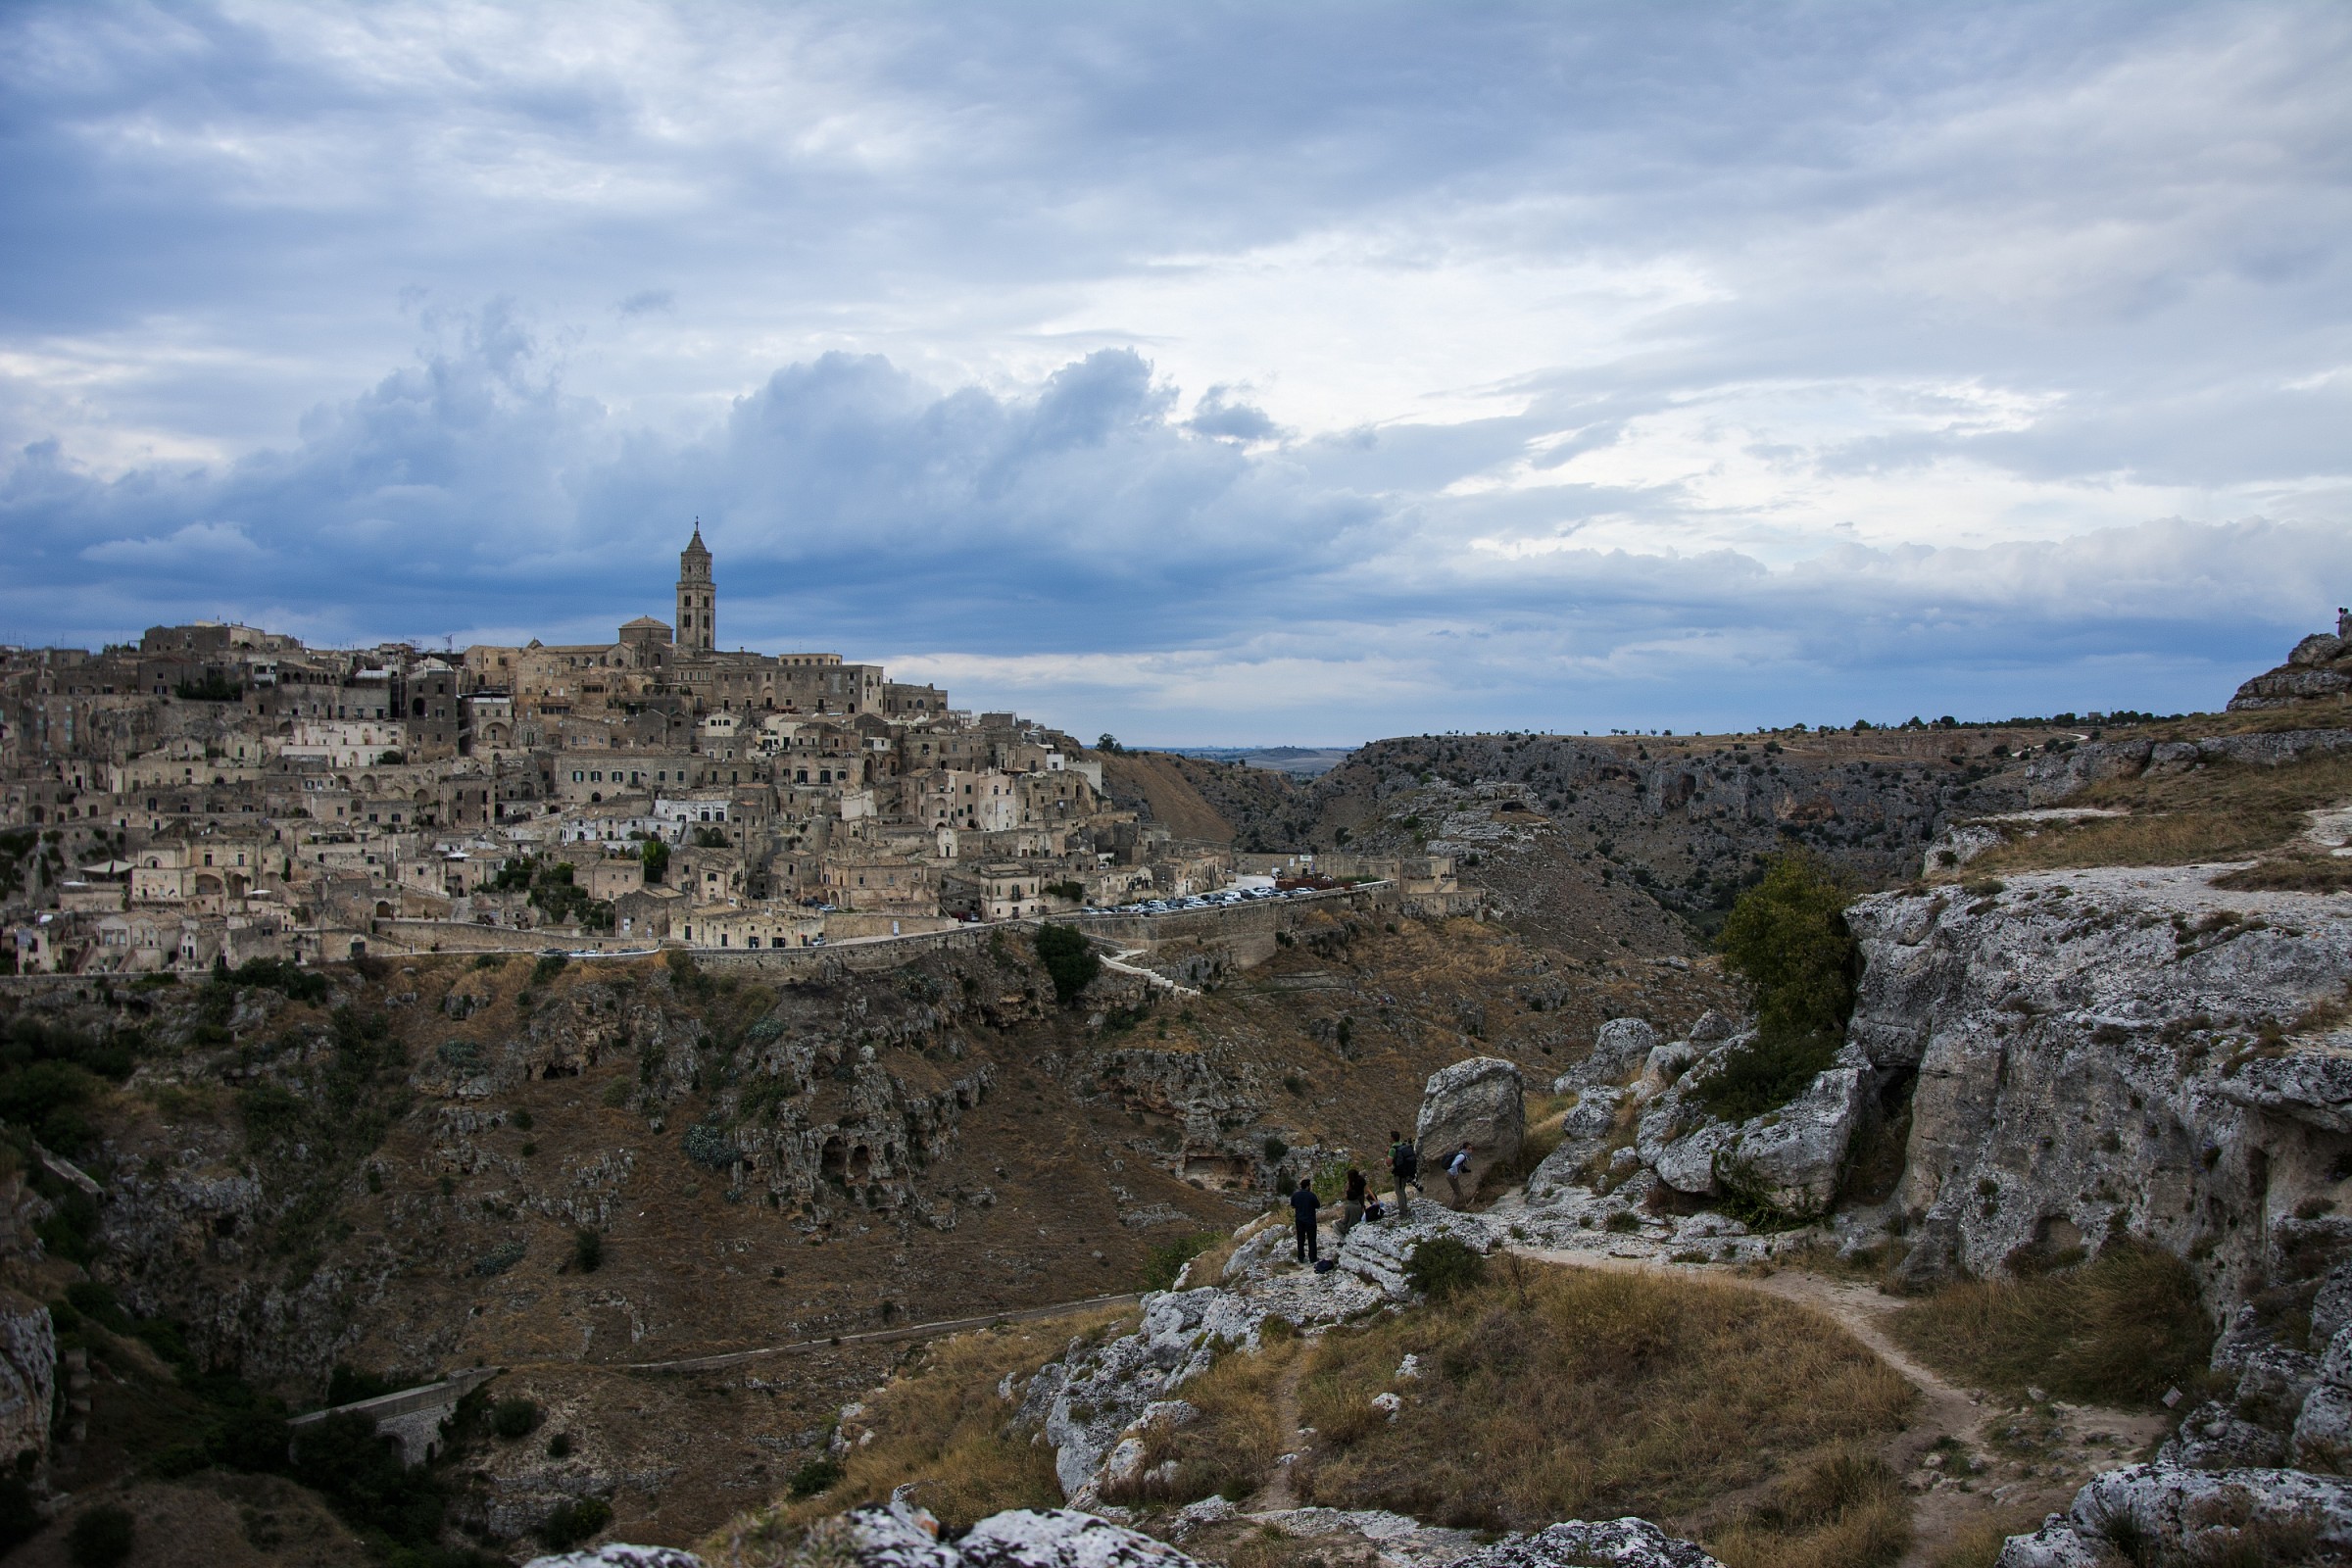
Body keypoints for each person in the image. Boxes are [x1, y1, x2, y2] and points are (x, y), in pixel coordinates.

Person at [1290, 1176, 1322, 1264]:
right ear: (1308, 1186)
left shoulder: (1295, 1195)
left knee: (1300, 1239)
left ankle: (1301, 1257)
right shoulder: (1311, 1195)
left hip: (1299, 1220)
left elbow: (1292, 1205)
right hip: (1310, 1220)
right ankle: (1313, 1258)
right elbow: (1317, 1205)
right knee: (1312, 1239)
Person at [1389, 1133, 1419, 1221]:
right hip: (1406, 1173)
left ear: (1392, 1138)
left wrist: (1388, 1154)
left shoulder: (1393, 1149)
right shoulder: (1403, 1146)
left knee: (1399, 1193)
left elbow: (1389, 1163)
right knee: (1403, 1191)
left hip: (1398, 1174)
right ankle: (1405, 1208)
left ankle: (1402, 1214)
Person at [1340, 1166, 1367, 1238]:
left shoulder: (1358, 1181)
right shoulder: (1356, 1180)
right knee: (1360, 1209)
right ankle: (1361, 1220)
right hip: (1357, 1197)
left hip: (1357, 1196)